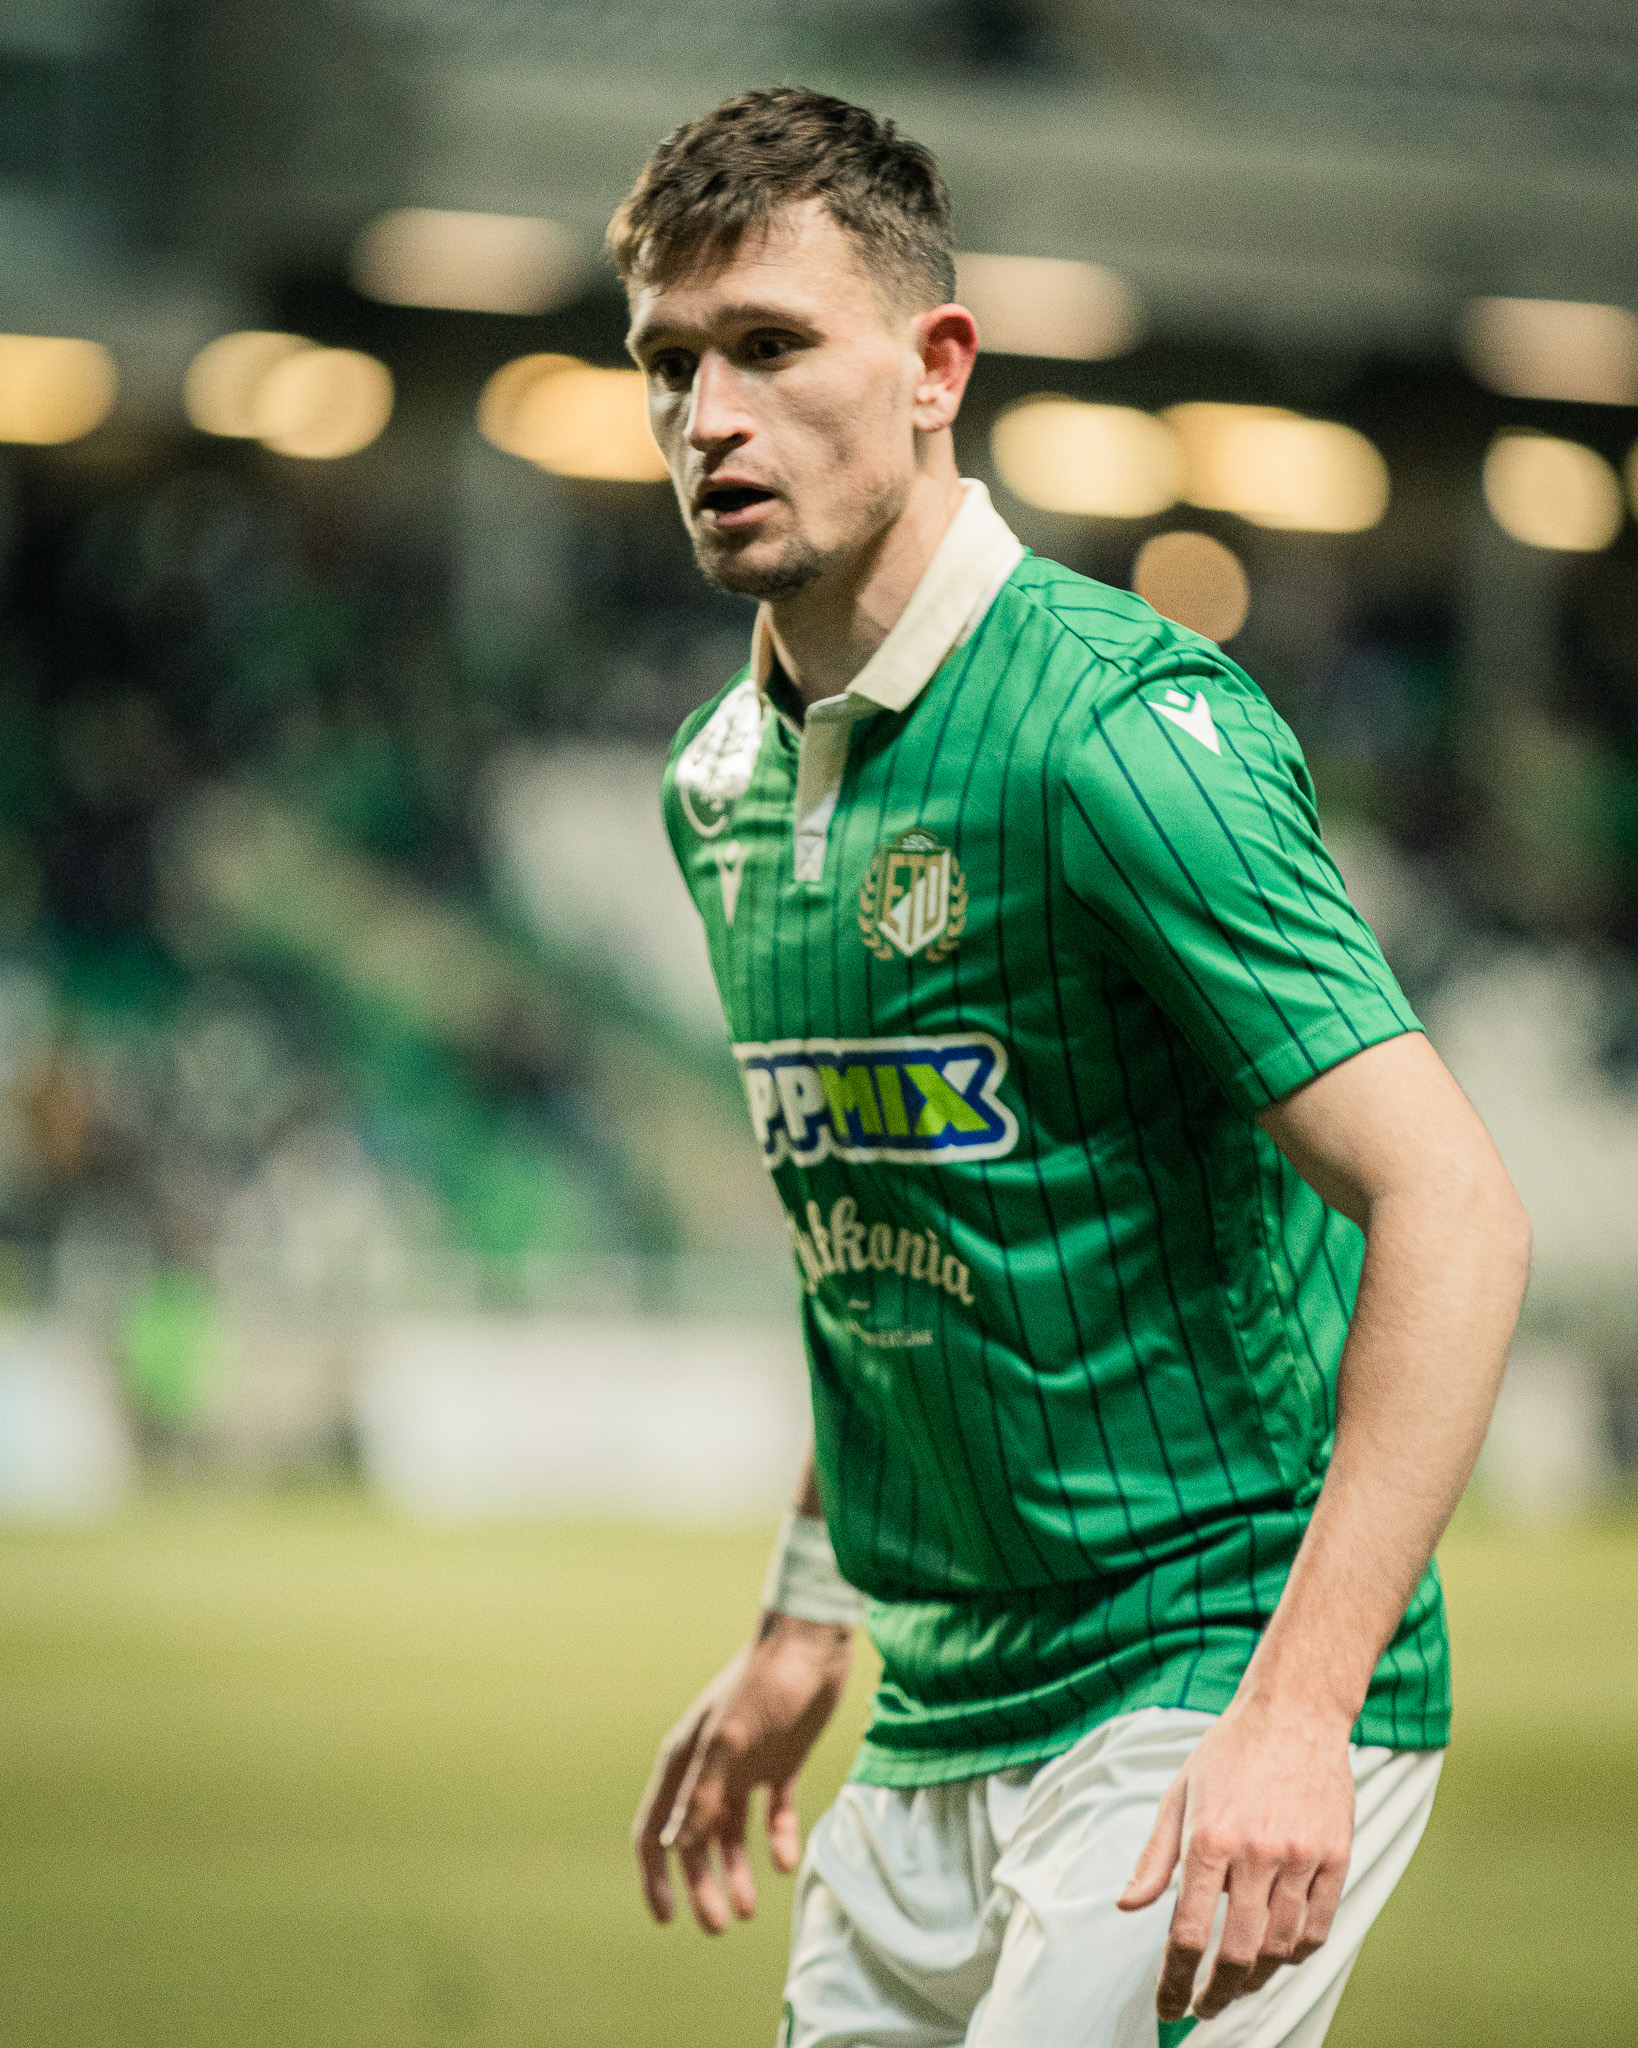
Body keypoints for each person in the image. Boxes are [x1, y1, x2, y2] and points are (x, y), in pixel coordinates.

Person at [614, 87, 1530, 2048]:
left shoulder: (1115, 730)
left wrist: (1296, 1711)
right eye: (670, 363)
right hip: (939, 1715)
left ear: (937, 366)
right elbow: (877, 1249)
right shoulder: (714, 786)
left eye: (769, 345)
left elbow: (1451, 1203)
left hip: (1201, 1684)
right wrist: (804, 1620)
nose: (709, 418)